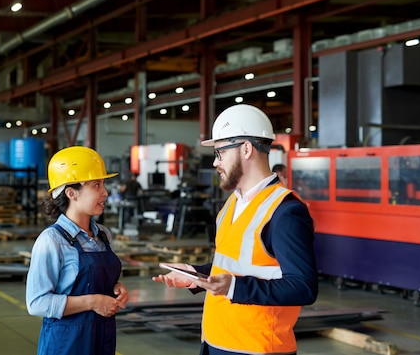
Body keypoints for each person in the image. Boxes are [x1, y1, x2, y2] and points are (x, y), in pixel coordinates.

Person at [153, 104, 318, 355]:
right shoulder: (232, 204)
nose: (216, 162)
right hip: (215, 342)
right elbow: (235, 267)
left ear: (246, 149)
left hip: (256, 348)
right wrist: (197, 275)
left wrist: (233, 288)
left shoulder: (285, 211)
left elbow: (303, 287)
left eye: (220, 153)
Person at [26, 145, 129, 355]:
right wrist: (93, 301)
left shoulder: (102, 235)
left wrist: (115, 288)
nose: (105, 192)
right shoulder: (51, 241)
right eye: (96, 185)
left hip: (102, 342)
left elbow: (91, 281)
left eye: (103, 184)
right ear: (72, 193)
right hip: (66, 345)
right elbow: (37, 303)